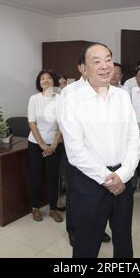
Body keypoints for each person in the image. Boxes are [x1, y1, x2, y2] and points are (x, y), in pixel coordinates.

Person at [58, 42, 140, 258]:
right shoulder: (70, 99)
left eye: (108, 59)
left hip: (122, 180)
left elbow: (134, 140)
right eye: (96, 61)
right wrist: (108, 178)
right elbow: (76, 151)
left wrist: (122, 175)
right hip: (89, 182)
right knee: (87, 243)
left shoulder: (122, 96)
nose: (105, 66)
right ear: (83, 69)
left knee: (123, 239)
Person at [58, 59, 112, 246]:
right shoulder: (69, 91)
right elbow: (65, 124)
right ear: (81, 68)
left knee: (100, 195)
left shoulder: (104, 88)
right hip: (78, 154)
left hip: (101, 153)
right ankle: (74, 230)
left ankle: (99, 229)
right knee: (76, 195)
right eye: (92, 63)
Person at [27, 70, 63, 223]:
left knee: (53, 177)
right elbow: (32, 122)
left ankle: (53, 208)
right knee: (36, 176)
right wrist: (42, 144)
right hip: (36, 144)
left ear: (53, 81)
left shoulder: (60, 99)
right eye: (42, 78)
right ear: (39, 82)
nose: (46, 80)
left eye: (49, 78)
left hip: (55, 144)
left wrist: (53, 144)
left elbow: (62, 123)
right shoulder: (34, 99)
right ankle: (35, 208)